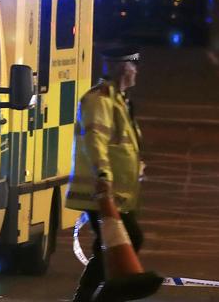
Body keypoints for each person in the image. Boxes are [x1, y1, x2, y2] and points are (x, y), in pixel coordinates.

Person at [66, 47, 145, 302]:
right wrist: (103, 175)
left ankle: (87, 297)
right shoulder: (99, 99)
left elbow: (122, 143)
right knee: (128, 239)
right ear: (124, 68)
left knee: (111, 246)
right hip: (101, 191)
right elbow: (95, 139)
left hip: (117, 192)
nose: (136, 72)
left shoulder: (118, 100)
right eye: (134, 67)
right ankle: (101, 297)